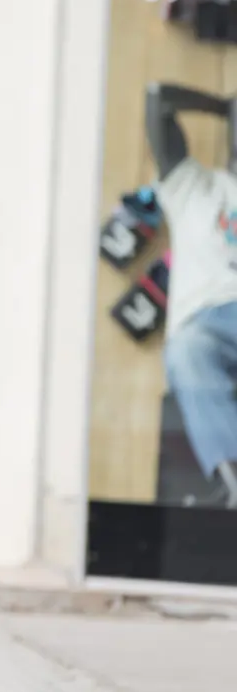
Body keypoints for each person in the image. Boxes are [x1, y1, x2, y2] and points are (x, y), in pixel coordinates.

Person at [145, 83, 237, 506]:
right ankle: (233, 479)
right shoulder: (194, 185)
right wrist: (224, 106)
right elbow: (158, 97)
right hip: (205, 323)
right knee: (185, 351)